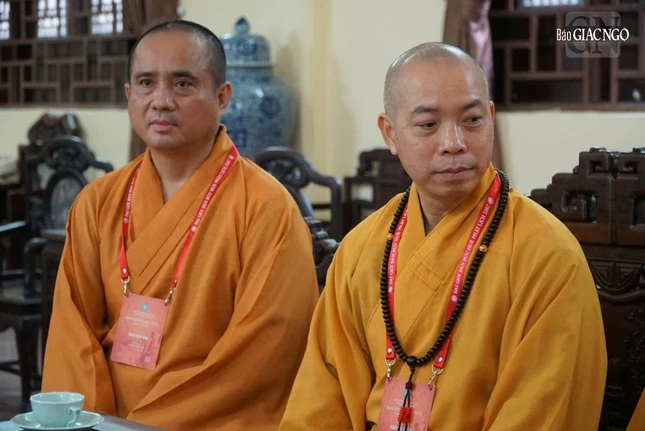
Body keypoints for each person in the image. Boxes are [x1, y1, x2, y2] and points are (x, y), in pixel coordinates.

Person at [279, 42, 607, 430]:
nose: (454, 143)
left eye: (472, 120)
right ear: (390, 133)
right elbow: (321, 395)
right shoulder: (361, 249)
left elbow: (543, 408)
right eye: (428, 125)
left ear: (490, 118)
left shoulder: (547, 254)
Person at [41, 20, 319, 431]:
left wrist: (143, 426)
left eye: (183, 84)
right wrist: (88, 423)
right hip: (103, 418)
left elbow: (264, 354)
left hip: (209, 418)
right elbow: (72, 333)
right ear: (129, 94)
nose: (161, 101)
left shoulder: (265, 207)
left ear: (222, 96)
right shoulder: (96, 203)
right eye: (146, 83)